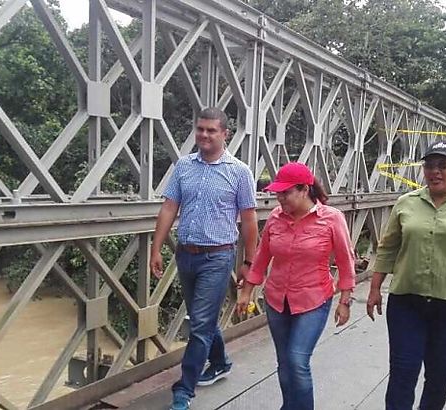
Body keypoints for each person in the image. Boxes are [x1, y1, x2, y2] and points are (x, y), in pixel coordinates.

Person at [366, 140, 446, 410]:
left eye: (443, 165)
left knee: (438, 376)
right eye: (429, 165)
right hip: (406, 303)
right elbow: (387, 248)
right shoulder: (406, 202)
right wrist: (374, 289)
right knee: (403, 372)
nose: (435, 171)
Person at [150, 107, 259, 410]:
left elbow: (249, 220)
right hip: (186, 254)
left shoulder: (239, 171)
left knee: (198, 323)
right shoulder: (184, 166)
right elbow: (170, 207)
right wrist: (156, 247)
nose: (204, 135)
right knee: (204, 320)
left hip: (218, 256)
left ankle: (183, 391)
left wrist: (249, 263)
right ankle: (221, 362)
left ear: (225, 134)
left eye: (211, 130)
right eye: (200, 129)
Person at [237, 162, 356, 410]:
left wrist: (345, 302)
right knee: (284, 362)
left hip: (314, 299)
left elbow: (346, 263)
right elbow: (261, 258)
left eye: (286, 192)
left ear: (304, 189)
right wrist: (247, 292)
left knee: (297, 360)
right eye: (278, 193)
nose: (280, 198)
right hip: (277, 300)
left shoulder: (332, 219)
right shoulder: (275, 218)